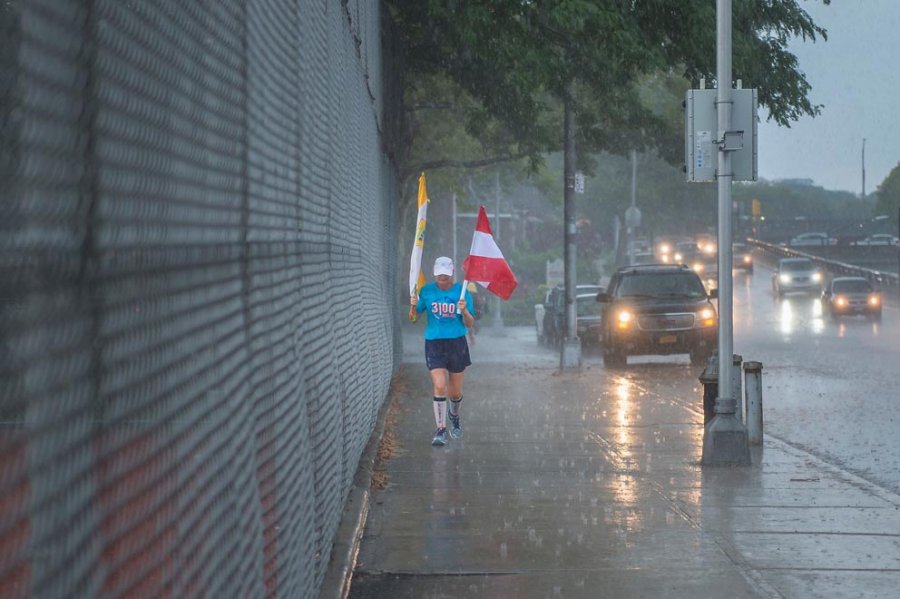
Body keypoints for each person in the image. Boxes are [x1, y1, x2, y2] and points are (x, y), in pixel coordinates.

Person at [409, 256, 476, 446]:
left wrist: (464, 311)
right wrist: (413, 304)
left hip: (456, 343)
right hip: (434, 343)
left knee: (455, 392)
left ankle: (454, 414)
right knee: (439, 385)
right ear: (434, 273)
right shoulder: (427, 291)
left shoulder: (461, 293)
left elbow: (470, 323)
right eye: (439, 276)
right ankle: (440, 429)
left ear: (452, 274)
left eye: (445, 276)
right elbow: (414, 317)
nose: (442, 279)